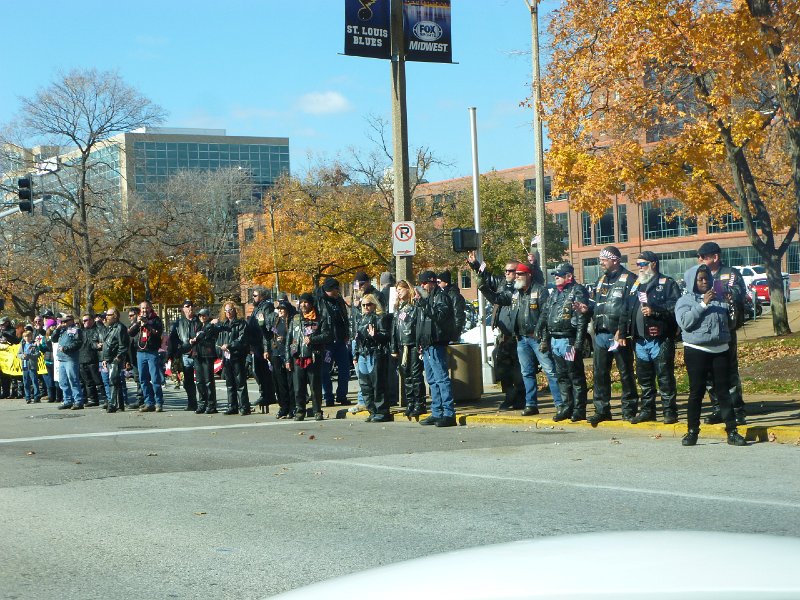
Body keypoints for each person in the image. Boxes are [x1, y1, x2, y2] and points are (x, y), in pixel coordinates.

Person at [675, 264, 747, 447]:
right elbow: (685, 322)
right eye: (700, 279)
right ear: (692, 281)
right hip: (696, 350)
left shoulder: (719, 297)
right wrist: (702, 304)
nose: (704, 282)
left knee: (723, 392)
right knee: (697, 392)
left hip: (720, 349)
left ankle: (732, 431)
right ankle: (692, 432)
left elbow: (731, 324)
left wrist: (731, 305)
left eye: (707, 278)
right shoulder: (685, 300)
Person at [478, 260, 562, 416]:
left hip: (537, 338)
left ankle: (560, 404)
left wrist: (544, 338)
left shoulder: (540, 291)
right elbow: (498, 298)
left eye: (520, 274)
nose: (516, 277)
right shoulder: (515, 293)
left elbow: (546, 316)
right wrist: (483, 288)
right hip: (521, 339)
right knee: (526, 372)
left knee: (550, 371)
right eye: (515, 274)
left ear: (528, 275)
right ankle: (531, 404)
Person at [620, 251, 681, 424]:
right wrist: (622, 332)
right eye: (637, 265)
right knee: (644, 379)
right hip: (639, 340)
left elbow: (677, 306)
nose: (639, 268)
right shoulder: (636, 285)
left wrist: (655, 311)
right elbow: (625, 309)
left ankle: (669, 411)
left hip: (660, 339)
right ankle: (648, 411)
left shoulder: (667, 283)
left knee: (665, 377)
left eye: (642, 264)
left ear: (653, 264)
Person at [582, 245, 640, 425]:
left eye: (604, 260)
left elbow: (631, 308)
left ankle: (629, 410)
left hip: (619, 335)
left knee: (626, 373)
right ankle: (602, 410)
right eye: (600, 260)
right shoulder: (600, 280)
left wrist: (623, 330)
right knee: (599, 374)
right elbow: (593, 304)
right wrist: (585, 309)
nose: (601, 263)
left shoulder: (630, 279)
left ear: (615, 260)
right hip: (600, 334)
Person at [696, 241, 748, 426]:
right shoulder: (699, 275)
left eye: (703, 257)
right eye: (699, 257)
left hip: (726, 329)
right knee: (710, 373)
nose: (700, 260)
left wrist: (716, 290)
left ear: (715, 257)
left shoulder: (730, 274)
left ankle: (736, 410)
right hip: (706, 331)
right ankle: (718, 408)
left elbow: (737, 293)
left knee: (729, 371)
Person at [466, 252, 526, 410]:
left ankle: (521, 398)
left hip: (518, 335)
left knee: (519, 369)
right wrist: (476, 264)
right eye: (505, 270)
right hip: (504, 335)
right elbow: (488, 277)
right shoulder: (502, 283)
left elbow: (497, 298)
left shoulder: (521, 288)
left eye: (510, 271)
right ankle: (509, 396)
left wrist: (533, 261)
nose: (507, 273)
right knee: (503, 368)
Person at [536, 263, 590, 422]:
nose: (556, 277)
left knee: (575, 375)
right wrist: (540, 329)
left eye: (559, 275)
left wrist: (579, 342)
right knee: (562, 376)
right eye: (555, 275)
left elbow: (582, 318)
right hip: (556, 341)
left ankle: (579, 409)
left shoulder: (577, 290)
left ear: (569, 276)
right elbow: (546, 312)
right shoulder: (555, 293)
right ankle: (567, 407)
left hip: (569, 340)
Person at [415, 270, 457, 427]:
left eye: (425, 283)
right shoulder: (427, 299)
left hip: (437, 342)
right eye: (421, 283)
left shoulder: (441, 297)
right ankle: (437, 412)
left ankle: (449, 413)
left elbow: (439, 316)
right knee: (432, 380)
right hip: (427, 344)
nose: (422, 286)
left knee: (441, 379)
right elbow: (421, 323)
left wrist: (423, 303)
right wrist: (420, 341)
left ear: (432, 282)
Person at [286, 292, 332, 421]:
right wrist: (288, 359)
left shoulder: (320, 318)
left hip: (313, 356)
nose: (303, 305)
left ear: (311, 304)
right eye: (301, 302)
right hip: (297, 357)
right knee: (298, 387)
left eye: (306, 302)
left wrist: (312, 339)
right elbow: (289, 339)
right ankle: (300, 411)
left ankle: (317, 411)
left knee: (315, 386)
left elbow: (327, 335)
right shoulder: (295, 319)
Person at [354, 292, 392, 422]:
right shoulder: (361, 319)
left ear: (375, 305)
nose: (366, 307)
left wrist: (375, 335)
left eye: (369, 304)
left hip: (375, 352)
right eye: (363, 305)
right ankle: (372, 410)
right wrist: (355, 354)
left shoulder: (381, 318)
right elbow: (357, 338)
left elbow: (386, 336)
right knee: (365, 385)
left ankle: (382, 411)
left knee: (378, 383)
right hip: (363, 354)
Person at [391, 280, 425, 418]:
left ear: (407, 289)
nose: (398, 292)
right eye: (397, 290)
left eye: (400, 289)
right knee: (406, 375)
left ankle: (419, 403)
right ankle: (411, 402)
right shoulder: (399, 308)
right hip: (402, 344)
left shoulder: (415, 306)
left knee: (416, 374)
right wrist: (394, 347)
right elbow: (394, 328)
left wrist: (420, 343)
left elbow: (420, 324)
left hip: (413, 344)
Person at [316, 278, 353, 407]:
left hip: (340, 341)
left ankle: (342, 395)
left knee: (345, 369)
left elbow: (345, 317)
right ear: (330, 289)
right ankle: (328, 397)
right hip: (327, 343)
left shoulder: (339, 300)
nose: (338, 291)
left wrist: (347, 333)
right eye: (336, 289)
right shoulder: (318, 301)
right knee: (325, 370)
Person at [215, 302, 252, 415]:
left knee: (240, 382)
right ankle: (232, 406)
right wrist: (220, 349)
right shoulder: (224, 324)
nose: (228, 312)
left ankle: (244, 407)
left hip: (237, 355)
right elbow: (219, 338)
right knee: (229, 383)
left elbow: (242, 339)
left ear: (235, 310)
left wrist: (230, 345)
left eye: (230, 310)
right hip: (226, 356)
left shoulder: (241, 323)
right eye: (226, 310)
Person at [129, 301, 165, 412]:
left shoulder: (156, 320)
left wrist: (148, 324)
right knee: (143, 379)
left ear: (150, 308)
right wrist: (138, 323)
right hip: (140, 352)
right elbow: (130, 332)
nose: (145, 310)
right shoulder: (138, 319)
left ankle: (158, 402)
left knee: (155, 379)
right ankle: (149, 402)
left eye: (147, 308)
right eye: (143, 308)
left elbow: (158, 333)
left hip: (152, 352)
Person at [168, 299, 202, 411]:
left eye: (191, 305)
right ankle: (192, 403)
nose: (190, 308)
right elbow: (173, 339)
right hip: (185, 354)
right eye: (187, 306)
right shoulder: (179, 323)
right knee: (187, 381)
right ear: (183, 309)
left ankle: (204, 403)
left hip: (198, 353)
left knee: (201, 380)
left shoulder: (199, 321)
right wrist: (172, 354)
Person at [247, 287, 277, 412]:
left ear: (262, 296)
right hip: (255, 344)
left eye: (255, 295)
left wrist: (266, 348)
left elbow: (266, 329)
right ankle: (264, 394)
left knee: (264, 371)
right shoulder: (257, 308)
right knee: (256, 371)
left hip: (262, 344)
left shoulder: (266, 307)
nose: (253, 297)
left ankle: (268, 395)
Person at [51, 313, 86, 410]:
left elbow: (78, 343)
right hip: (61, 358)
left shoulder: (76, 330)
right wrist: (57, 329)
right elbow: (53, 339)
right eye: (62, 321)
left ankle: (78, 401)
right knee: (63, 381)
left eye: (66, 321)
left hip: (70, 358)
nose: (64, 323)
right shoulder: (62, 330)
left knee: (73, 380)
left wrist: (66, 348)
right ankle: (67, 400)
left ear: (71, 320)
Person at [101, 308, 130, 413]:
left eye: (109, 315)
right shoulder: (110, 328)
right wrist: (104, 358)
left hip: (115, 358)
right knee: (115, 381)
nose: (106, 317)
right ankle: (120, 405)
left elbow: (123, 344)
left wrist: (119, 357)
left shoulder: (120, 328)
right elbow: (107, 344)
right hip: (109, 358)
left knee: (113, 381)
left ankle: (113, 404)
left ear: (115, 316)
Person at [189, 308, 218, 414]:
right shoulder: (197, 325)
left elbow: (205, 335)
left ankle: (211, 405)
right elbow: (193, 336)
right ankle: (202, 404)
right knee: (199, 381)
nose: (202, 317)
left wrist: (197, 338)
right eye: (200, 315)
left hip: (207, 355)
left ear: (208, 316)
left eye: (204, 315)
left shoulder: (211, 326)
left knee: (208, 381)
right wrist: (191, 340)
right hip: (197, 354)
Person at [270, 299, 295, 418]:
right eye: (279, 309)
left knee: (290, 382)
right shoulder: (276, 322)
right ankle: (283, 407)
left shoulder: (291, 322)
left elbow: (294, 339)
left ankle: (292, 407)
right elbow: (271, 334)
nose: (280, 311)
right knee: (280, 383)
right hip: (276, 354)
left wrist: (285, 340)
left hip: (288, 355)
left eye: (282, 309)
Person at [78, 313, 108, 408]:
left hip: (94, 359)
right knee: (88, 382)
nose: (84, 322)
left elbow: (103, 331)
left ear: (92, 320)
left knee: (99, 381)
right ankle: (93, 399)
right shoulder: (81, 331)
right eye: (83, 321)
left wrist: (98, 322)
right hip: (82, 359)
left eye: (86, 320)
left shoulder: (97, 329)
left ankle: (106, 399)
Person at [438, 270, 467, 343]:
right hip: (443, 335)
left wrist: (455, 334)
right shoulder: (441, 295)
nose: (437, 284)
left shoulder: (454, 296)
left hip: (451, 335)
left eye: (439, 282)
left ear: (446, 283)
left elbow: (458, 316)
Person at [126, 307, 144, 409]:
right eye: (129, 316)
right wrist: (127, 360)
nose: (130, 317)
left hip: (142, 354)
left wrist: (138, 323)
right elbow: (128, 344)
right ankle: (140, 399)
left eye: (132, 315)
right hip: (133, 356)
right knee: (137, 379)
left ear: (138, 315)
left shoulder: (142, 326)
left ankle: (145, 399)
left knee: (143, 379)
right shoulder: (130, 327)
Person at [18, 330, 40, 403]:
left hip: (32, 365)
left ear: (31, 337)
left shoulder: (34, 345)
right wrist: (22, 356)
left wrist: (30, 355)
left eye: (28, 336)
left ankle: (37, 396)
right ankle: (28, 397)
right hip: (24, 365)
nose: (26, 338)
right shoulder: (22, 345)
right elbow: (18, 354)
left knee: (34, 381)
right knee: (26, 382)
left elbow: (38, 354)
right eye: (25, 336)